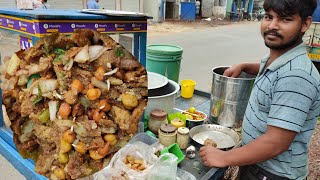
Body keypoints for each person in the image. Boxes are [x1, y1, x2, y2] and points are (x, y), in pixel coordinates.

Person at [200, 0, 320, 179]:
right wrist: (246, 66)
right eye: (268, 17)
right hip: (256, 162)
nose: (272, 26)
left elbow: (276, 142)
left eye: (285, 19)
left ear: (305, 24)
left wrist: (225, 158)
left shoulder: (296, 76)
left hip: (271, 173)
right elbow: (273, 72)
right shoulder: (279, 58)